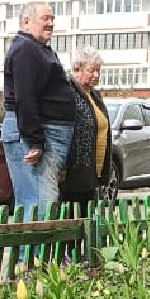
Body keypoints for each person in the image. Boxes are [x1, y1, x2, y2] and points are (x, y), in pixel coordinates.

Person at [1, 1, 74, 219]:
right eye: (45, 18)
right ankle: (29, 254)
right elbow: (26, 98)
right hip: (29, 133)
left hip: (37, 131)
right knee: (35, 202)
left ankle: (36, 253)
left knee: (42, 202)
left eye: (52, 19)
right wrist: (35, 140)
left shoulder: (37, 48)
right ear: (26, 22)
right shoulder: (26, 49)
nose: (51, 23)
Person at [60, 48, 113, 209]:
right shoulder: (68, 93)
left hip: (92, 173)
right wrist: (63, 166)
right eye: (91, 70)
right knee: (73, 218)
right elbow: (63, 131)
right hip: (74, 173)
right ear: (77, 69)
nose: (96, 75)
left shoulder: (95, 96)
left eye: (98, 70)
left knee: (87, 219)